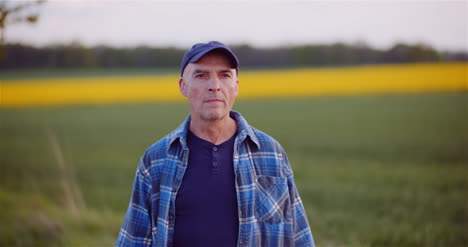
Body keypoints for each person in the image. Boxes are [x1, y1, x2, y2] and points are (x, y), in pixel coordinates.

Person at [116, 41, 314, 247]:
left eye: (224, 75)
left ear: (236, 86)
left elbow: (299, 236)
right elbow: (134, 240)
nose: (214, 85)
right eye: (201, 75)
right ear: (183, 86)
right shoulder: (156, 160)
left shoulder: (271, 153)